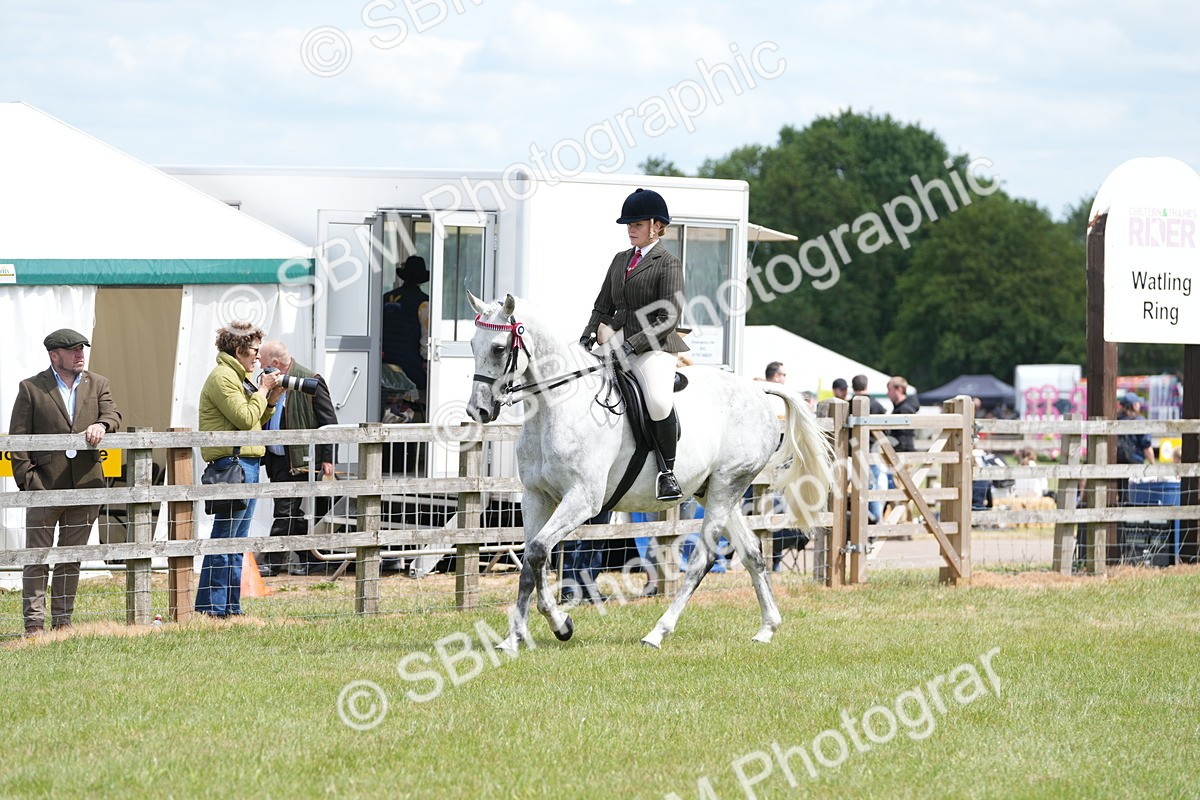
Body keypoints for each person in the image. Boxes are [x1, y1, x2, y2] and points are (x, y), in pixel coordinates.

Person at [9, 328, 122, 636]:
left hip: (86, 485)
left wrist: (102, 423)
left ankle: (63, 621)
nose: (79, 354)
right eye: (72, 350)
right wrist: (28, 481)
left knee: (71, 558)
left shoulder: (98, 383)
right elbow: (17, 439)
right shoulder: (31, 388)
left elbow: (114, 415)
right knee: (37, 558)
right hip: (43, 486)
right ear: (54, 355)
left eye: (81, 348)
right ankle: (34, 624)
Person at [580, 187, 688, 501]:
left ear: (656, 225)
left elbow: (668, 317)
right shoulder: (619, 260)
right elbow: (602, 305)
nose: (630, 229)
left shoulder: (668, 263)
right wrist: (586, 334)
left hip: (655, 345)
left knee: (656, 400)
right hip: (614, 339)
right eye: (629, 224)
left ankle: (668, 472)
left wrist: (633, 345)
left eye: (637, 224)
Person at [195, 322, 280, 617]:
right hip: (232, 465)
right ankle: (215, 608)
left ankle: (229, 606)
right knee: (226, 538)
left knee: (237, 541)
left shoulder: (238, 377)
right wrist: (262, 390)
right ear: (239, 348)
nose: (259, 357)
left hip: (247, 464)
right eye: (255, 350)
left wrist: (272, 399)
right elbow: (244, 419)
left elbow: (255, 418)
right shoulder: (223, 378)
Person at [257, 340, 339, 576]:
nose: (259, 365)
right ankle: (312, 558)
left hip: (301, 459)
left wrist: (327, 457)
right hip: (277, 458)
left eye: (262, 361)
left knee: (285, 510)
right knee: (292, 511)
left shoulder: (310, 380)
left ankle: (272, 563)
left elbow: (328, 421)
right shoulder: (268, 380)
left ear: (274, 362)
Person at [381, 255, 431, 392]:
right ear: (421, 280)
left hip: (382, 366)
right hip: (409, 368)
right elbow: (426, 340)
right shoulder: (424, 302)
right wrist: (427, 360)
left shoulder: (385, 298)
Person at [851, 375, 888, 523]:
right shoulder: (878, 405)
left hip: (852, 452)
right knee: (872, 487)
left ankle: (861, 522)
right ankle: (875, 522)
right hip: (872, 450)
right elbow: (886, 430)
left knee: (850, 489)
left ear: (852, 388)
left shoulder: (848, 405)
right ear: (867, 385)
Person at [886, 376, 920, 452]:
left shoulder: (904, 409)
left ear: (899, 389)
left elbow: (903, 435)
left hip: (903, 450)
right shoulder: (901, 407)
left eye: (890, 390)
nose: (887, 393)